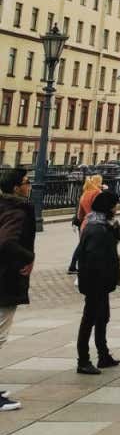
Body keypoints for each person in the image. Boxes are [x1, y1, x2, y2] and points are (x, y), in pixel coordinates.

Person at [76, 189, 120, 374]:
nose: (117, 207)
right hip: (95, 282)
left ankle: (103, 355)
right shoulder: (97, 229)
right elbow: (95, 260)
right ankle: (83, 360)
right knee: (89, 319)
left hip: (100, 282)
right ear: (109, 207)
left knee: (102, 318)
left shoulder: (102, 225)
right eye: (115, 204)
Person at [0, 168, 35, 410]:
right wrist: (28, 257)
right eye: (25, 182)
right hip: (6, 281)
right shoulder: (17, 209)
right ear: (15, 187)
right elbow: (6, 242)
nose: (29, 185)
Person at [68, 173, 103, 274]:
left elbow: (79, 214)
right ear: (98, 182)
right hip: (95, 223)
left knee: (82, 245)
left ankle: (73, 266)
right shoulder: (97, 193)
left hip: (85, 223)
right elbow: (101, 208)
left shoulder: (85, 193)